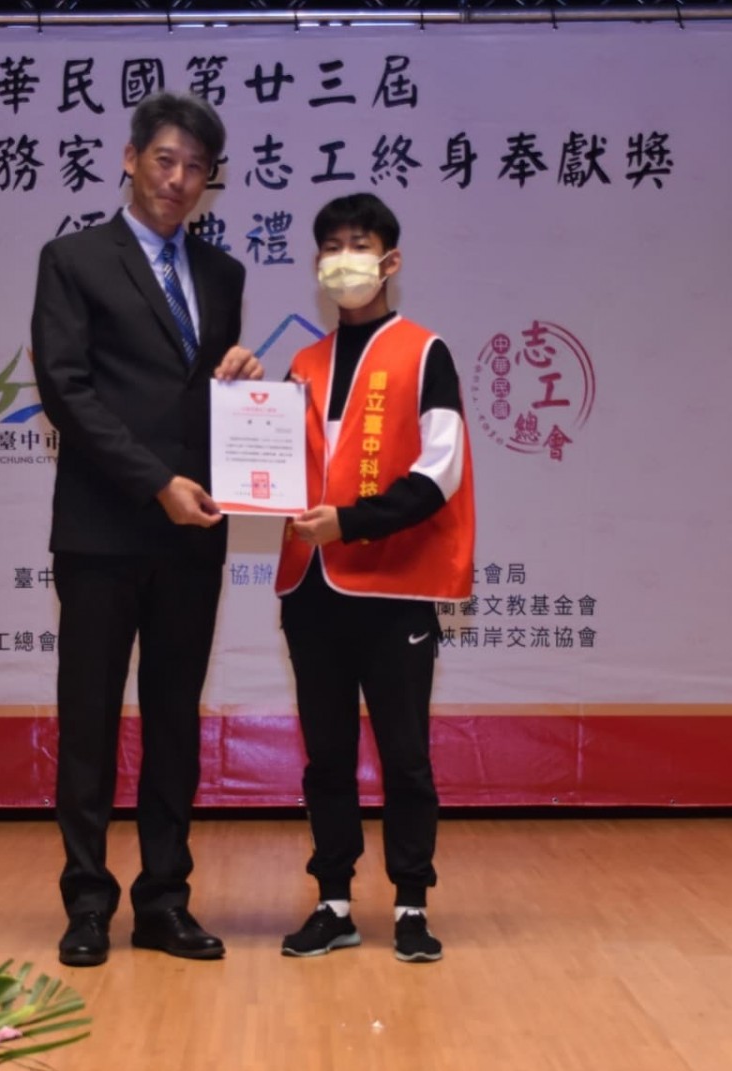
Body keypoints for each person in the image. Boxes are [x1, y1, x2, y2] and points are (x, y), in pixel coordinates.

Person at [30, 92, 263, 968]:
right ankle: (87, 902)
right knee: (89, 722)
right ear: (130, 159)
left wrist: (240, 380)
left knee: (173, 723)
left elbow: (200, 398)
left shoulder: (223, 275)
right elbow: (66, 390)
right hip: (101, 531)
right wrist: (155, 482)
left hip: (192, 533)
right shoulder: (73, 260)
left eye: (196, 167)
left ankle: (165, 900)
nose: (178, 179)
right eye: (165, 160)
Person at [273, 194, 476, 964]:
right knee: (325, 756)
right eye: (330, 247)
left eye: (358, 245)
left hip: (392, 589)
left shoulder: (425, 353)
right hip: (312, 588)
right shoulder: (303, 364)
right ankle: (333, 902)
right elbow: (269, 464)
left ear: (390, 260)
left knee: (405, 756)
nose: (342, 260)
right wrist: (235, 395)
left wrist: (352, 523)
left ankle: (412, 904)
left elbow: (441, 471)